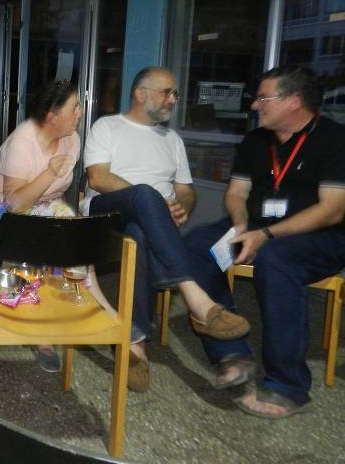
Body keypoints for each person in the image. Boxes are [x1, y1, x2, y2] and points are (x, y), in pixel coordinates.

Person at [184, 66, 345, 418]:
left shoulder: (335, 140)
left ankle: (289, 388)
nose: (255, 105)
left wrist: (266, 235)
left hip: (320, 237)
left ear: (294, 101)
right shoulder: (256, 141)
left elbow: (333, 209)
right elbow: (237, 193)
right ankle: (232, 352)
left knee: (276, 259)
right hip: (256, 227)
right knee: (197, 247)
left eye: (263, 98)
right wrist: (241, 224)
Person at [80, 66, 250, 391]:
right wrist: (156, 203)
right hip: (106, 214)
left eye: (175, 94)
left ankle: (135, 345)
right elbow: (98, 178)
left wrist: (181, 206)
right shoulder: (107, 126)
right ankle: (195, 296)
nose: (173, 100)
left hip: (147, 223)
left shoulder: (173, 140)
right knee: (146, 195)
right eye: (166, 92)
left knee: (140, 234)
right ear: (140, 94)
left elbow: (186, 191)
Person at [0, 79, 115, 374]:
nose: (80, 112)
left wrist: (62, 216)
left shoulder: (72, 139)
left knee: (78, 238)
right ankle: (44, 337)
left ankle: (99, 309)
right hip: (5, 210)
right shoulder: (22, 142)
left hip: (47, 203)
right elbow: (14, 204)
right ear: (52, 115)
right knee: (37, 242)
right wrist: (49, 173)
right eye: (74, 107)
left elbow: (60, 192)